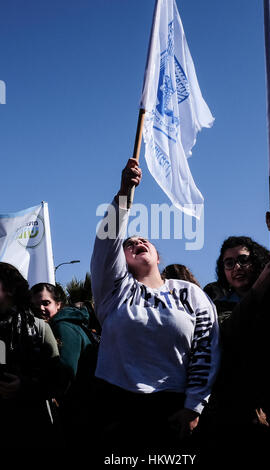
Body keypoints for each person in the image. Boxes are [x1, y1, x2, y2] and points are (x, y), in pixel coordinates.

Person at [90, 158, 220, 455]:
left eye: (142, 239)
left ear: (158, 257)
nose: (136, 241)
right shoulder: (116, 292)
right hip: (115, 407)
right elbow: (106, 242)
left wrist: (194, 406)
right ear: (119, 261)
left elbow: (206, 348)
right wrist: (124, 193)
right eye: (129, 243)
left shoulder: (190, 294)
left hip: (173, 409)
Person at [203, 206, 270, 453]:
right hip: (240, 405)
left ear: (256, 260)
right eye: (229, 263)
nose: (237, 267)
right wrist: (258, 287)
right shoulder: (215, 302)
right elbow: (228, 332)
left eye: (244, 259)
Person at [0, 262, 65, 448]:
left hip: (34, 426)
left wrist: (23, 385)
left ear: (10, 290)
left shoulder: (38, 328)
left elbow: (58, 379)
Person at [30, 282, 97, 449]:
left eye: (46, 303)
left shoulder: (63, 327)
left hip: (81, 412)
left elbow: (65, 374)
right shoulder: (61, 325)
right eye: (35, 305)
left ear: (58, 304)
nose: (40, 308)